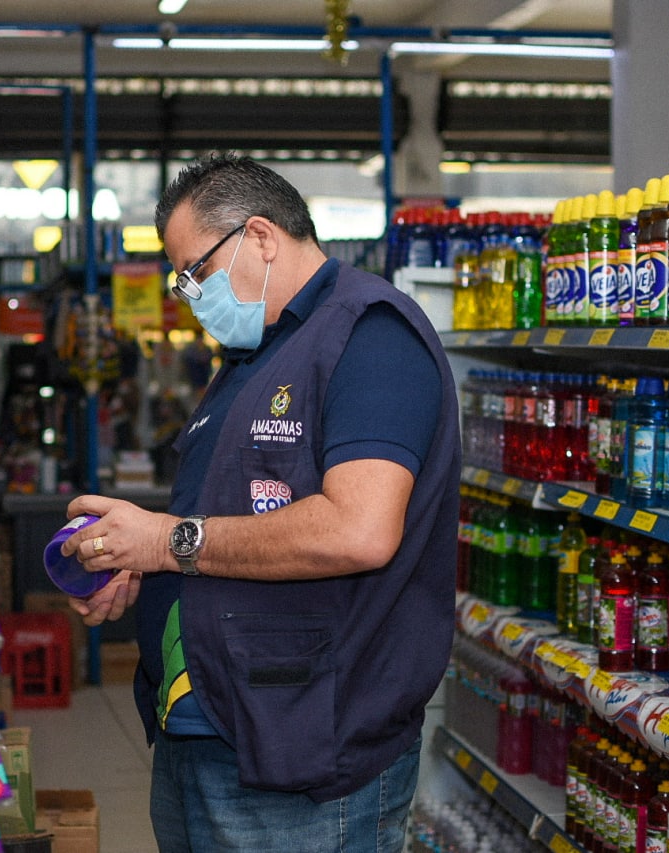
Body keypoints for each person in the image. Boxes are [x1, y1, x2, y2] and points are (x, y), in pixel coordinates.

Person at [59, 154, 460, 852]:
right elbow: (229, 515)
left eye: (197, 271)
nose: (190, 295)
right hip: (211, 725)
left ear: (261, 237)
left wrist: (166, 542)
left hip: (303, 753)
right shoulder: (255, 357)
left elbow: (359, 530)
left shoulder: (370, 336)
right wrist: (140, 561)